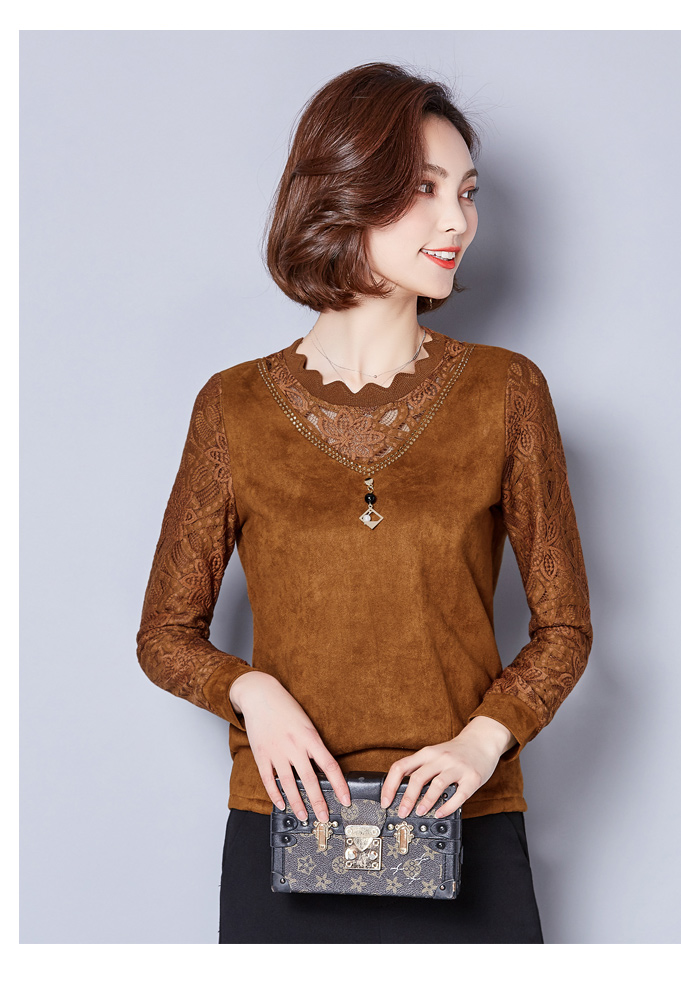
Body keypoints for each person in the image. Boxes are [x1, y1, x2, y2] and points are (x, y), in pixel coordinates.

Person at [136, 61, 593, 944]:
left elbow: (565, 628)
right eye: (423, 189)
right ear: (344, 191)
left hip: (467, 825)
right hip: (287, 826)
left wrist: (481, 742)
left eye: (466, 192)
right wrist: (251, 691)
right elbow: (164, 633)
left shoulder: (507, 392)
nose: (457, 220)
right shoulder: (233, 406)